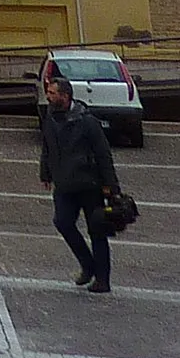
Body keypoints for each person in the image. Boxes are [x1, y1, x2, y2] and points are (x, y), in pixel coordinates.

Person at [39, 68, 119, 294]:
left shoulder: (87, 121)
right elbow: (47, 148)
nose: (49, 96)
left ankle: (102, 279)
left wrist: (110, 186)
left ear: (65, 96)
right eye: (48, 92)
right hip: (64, 185)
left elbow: (103, 154)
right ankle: (88, 264)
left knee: (97, 231)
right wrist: (45, 173)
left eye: (53, 93)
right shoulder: (50, 118)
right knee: (63, 222)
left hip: (89, 185)